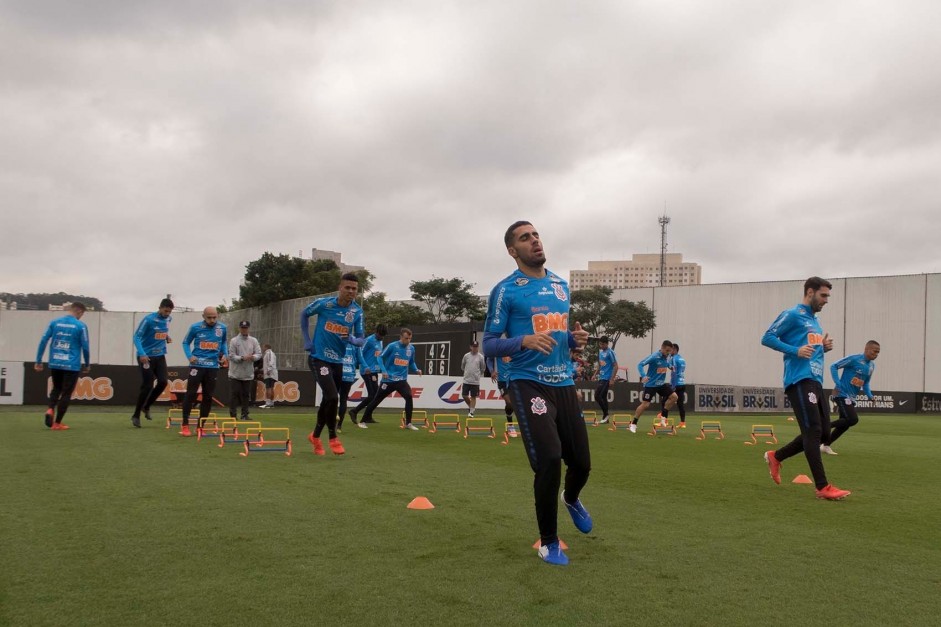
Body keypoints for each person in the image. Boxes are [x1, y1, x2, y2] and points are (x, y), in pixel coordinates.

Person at [482, 220, 592, 567]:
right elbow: (489, 344)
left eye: (536, 235)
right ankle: (548, 542)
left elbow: (559, 335)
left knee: (582, 464)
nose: (534, 241)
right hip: (527, 382)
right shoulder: (505, 291)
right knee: (548, 459)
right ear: (513, 251)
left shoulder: (560, 285)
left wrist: (574, 340)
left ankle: (571, 499)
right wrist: (523, 341)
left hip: (564, 382)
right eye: (525, 238)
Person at [761, 276, 850, 500]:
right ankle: (822, 487)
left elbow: (810, 349)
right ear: (810, 292)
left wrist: (822, 348)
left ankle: (776, 456)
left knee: (823, 433)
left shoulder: (815, 321)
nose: (826, 300)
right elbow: (767, 337)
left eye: (828, 296)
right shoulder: (792, 314)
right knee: (812, 431)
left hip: (816, 380)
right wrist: (795, 350)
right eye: (823, 295)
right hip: (799, 379)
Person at [300, 272, 365, 455]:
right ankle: (333, 437)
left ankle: (315, 436)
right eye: (347, 287)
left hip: (338, 361)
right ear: (340, 288)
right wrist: (307, 340)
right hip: (318, 357)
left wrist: (352, 339)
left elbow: (361, 340)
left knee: (328, 399)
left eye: (354, 289)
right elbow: (304, 314)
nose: (351, 291)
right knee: (333, 397)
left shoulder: (357, 312)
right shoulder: (324, 304)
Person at [35, 302, 91, 430]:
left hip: (55, 362)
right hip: (72, 364)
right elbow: (86, 347)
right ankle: (57, 423)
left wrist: (38, 360)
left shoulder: (55, 322)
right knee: (66, 393)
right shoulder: (81, 326)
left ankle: (50, 409)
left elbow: (44, 340)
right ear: (80, 312)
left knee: (56, 388)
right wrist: (87, 364)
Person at [358, 328, 422, 428]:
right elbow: (380, 357)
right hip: (388, 380)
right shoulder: (392, 346)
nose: (408, 341)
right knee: (376, 400)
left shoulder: (411, 348)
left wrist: (416, 369)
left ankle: (408, 423)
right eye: (406, 338)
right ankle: (362, 421)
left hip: (401, 380)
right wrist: (384, 370)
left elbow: (411, 362)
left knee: (409, 397)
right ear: (401, 337)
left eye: (410, 338)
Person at [824, 340, 880, 454]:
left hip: (852, 398)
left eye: (878, 352)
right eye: (875, 351)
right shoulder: (854, 359)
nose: (876, 354)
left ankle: (825, 445)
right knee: (853, 419)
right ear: (867, 349)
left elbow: (866, 383)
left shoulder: (871, 366)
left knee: (845, 424)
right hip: (841, 394)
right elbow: (833, 366)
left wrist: (870, 396)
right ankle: (824, 427)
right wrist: (838, 383)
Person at [180, 307, 228, 437]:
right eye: (209, 317)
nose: (212, 320)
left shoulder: (222, 328)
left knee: (208, 397)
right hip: (197, 366)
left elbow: (223, 342)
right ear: (203, 316)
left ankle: (201, 427)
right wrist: (190, 356)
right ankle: (185, 425)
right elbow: (185, 343)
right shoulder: (195, 327)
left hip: (212, 367)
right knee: (191, 394)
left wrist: (225, 354)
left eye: (214, 317)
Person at [130, 298, 174, 428]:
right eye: (165, 311)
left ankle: (147, 406)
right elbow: (136, 337)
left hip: (160, 355)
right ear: (160, 308)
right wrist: (142, 353)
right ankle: (136, 415)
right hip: (146, 356)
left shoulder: (168, 319)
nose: (167, 314)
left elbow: (162, 330)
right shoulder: (149, 319)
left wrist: (166, 336)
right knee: (147, 385)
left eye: (169, 312)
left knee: (163, 382)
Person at [630, 340, 678, 432]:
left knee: (674, 397)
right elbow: (640, 364)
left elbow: (667, 363)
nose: (668, 353)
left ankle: (663, 417)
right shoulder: (654, 357)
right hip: (651, 384)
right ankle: (633, 424)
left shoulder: (667, 357)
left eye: (670, 351)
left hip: (661, 384)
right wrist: (643, 376)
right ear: (662, 348)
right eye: (667, 351)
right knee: (645, 405)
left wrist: (670, 367)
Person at [349, 324, 387, 425]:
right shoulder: (369, 340)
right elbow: (360, 353)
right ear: (376, 332)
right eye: (380, 335)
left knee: (375, 395)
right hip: (366, 371)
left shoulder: (381, 341)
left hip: (375, 371)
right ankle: (354, 411)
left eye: (383, 336)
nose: (381, 337)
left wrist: (382, 368)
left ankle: (368, 416)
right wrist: (365, 366)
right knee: (372, 395)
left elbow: (378, 356)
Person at [228, 321, 261, 421]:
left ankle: (244, 414)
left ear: (249, 328)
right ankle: (233, 415)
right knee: (235, 393)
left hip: (248, 373)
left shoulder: (253, 340)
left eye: (246, 328)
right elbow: (231, 356)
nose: (244, 329)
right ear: (239, 328)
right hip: (235, 373)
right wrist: (242, 358)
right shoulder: (234, 341)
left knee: (246, 394)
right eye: (242, 328)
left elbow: (259, 354)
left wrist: (252, 357)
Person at [336, 343, 362, 432]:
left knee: (331, 396)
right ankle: (339, 426)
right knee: (343, 399)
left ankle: (332, 418)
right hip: (349, 374)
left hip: (337, 372)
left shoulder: (336, 338)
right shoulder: (355, 342)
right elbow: (360, 358)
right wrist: (365, 366)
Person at [486, 355, 515, 427]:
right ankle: (510, 425)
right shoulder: (498, 348)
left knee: (514, 404)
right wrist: (492, 371)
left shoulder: (515, 347)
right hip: (502, 381)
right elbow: (489, 360)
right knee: (509, 403)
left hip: (513, 379)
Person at [595, 337, 618, 424]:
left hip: (607, 378)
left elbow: (616, 366)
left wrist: (612, 379)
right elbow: (600, 365)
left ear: (606, 344)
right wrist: (595, 374)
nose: (600, 346)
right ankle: (606, 418)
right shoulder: (601, 353)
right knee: (603, 397)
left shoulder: (610, 352)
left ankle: (606, 414)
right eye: (600, 344)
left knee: (597, 396)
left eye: (602, 344)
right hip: (601, 377)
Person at [460, 341, 486, 417]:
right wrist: (467, 373)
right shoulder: (466, 356)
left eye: (476, 347)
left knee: (473, 396)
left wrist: (477, 375)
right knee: (464, 395)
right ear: (470, 347)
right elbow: (462, 366)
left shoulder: (481, 357)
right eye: (474, 347)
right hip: (466, 380)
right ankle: (471, 407)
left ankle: (471, 412)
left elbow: (483, 368)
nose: (475, 348)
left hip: (475, 381)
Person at [670, 343, 688, 428]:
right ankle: (683, 423)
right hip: (682, 383)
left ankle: (664, 418)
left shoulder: (673, 358)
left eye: (671, 349)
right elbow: (682, 370)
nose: (670, 351)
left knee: (665, 399)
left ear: (675, 350)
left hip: (676, 383)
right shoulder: (682, 359)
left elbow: (674, 372)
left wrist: (673, 385)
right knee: (680, 404)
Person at [259, 344, 278, 408]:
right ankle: (271, 403)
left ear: (266, 347)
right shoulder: (270, 353)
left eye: (263, 347)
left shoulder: (269, 353)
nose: (262, 348)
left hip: (270, 374)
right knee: (271, 388)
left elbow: (271, 362)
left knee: (268, 388)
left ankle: (268, 403)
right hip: (271, 373)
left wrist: (268, 370)